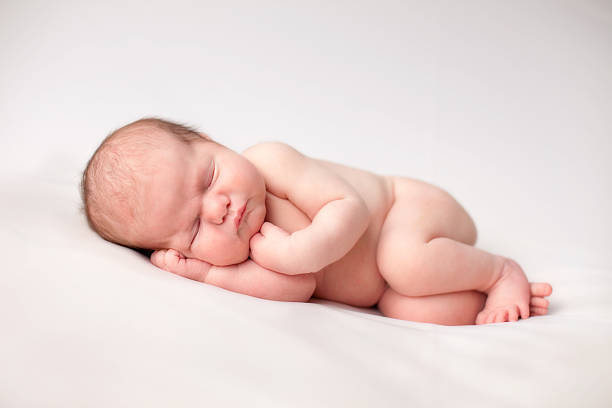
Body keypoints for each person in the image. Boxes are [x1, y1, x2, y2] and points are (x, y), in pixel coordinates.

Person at [81, 117, 552, 325]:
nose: (218, 208)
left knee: (403, 261)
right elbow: (296, 287)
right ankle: (495, 293)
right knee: (420, 310)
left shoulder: (270, 161)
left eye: (208, 177)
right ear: (180, 253)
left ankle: (499, 271)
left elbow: (349, 207)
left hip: (405, 210)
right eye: (194, 230)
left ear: (211, 141)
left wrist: (296, 251)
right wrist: (209, 273)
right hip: (384, 287)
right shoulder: (237, 256)